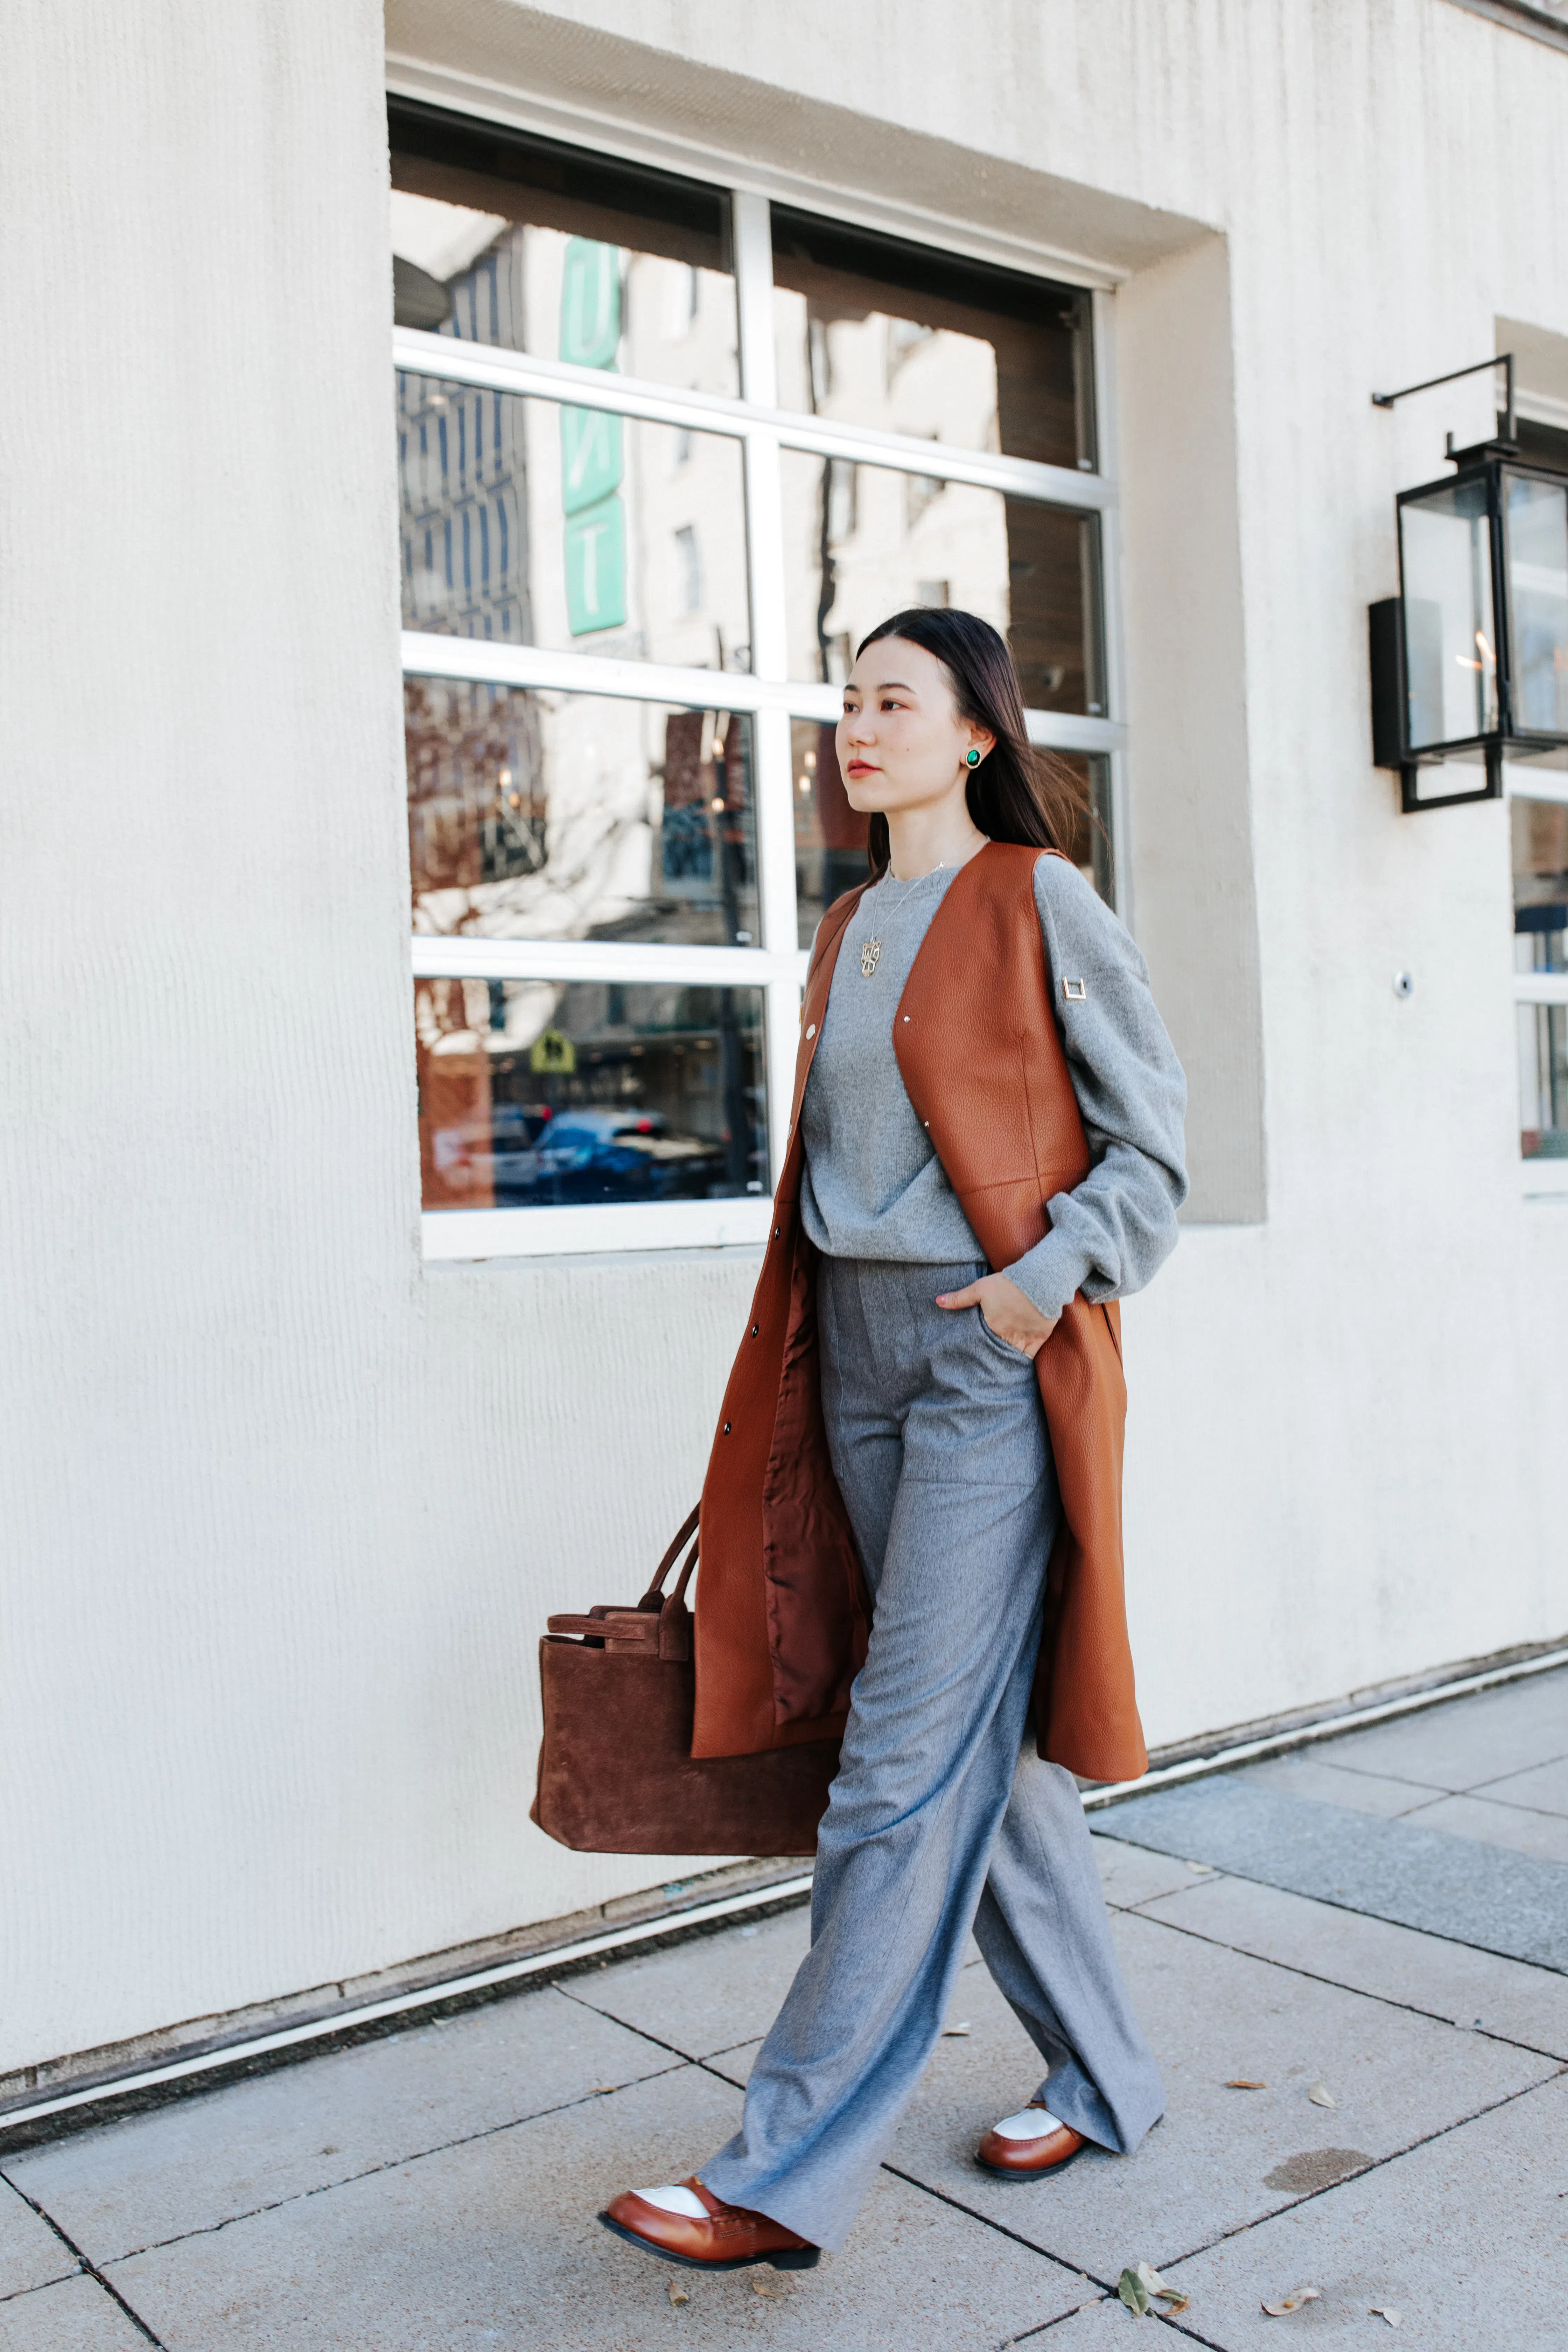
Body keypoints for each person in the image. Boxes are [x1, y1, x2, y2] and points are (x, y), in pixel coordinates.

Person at [602, 608, 1187, 2275]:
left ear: (975, 732)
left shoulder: (1038, 899)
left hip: (980, 1363)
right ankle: (1110, 2075)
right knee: (976, 1754)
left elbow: (1154, 1147)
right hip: (851, 1354)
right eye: (846, 701)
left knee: (893, 1763)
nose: (858, 727)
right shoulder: (850, 921)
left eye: (894, 701)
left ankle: (776, 2170)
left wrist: (1032, 1290)